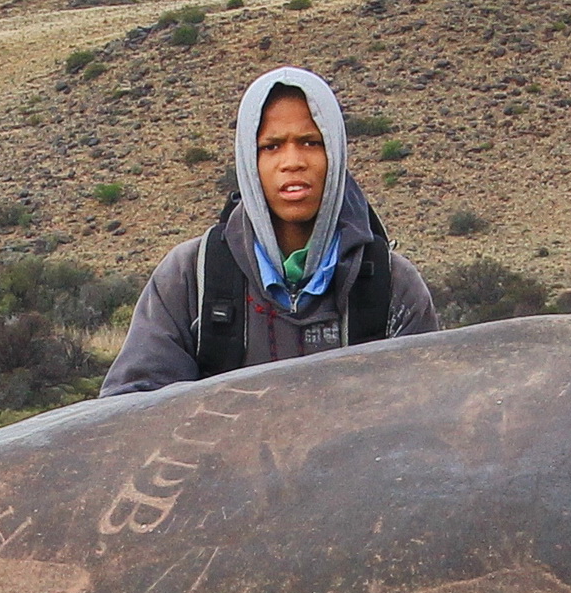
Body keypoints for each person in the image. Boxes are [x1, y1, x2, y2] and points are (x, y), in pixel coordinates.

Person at [100, 65, 440, 393]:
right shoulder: (190, 278)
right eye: (271, 146)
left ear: (335, 155)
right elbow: (131, 412)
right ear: (250, 162)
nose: (292, 161)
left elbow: (430, 417)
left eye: (311, 142)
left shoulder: (393, 286)